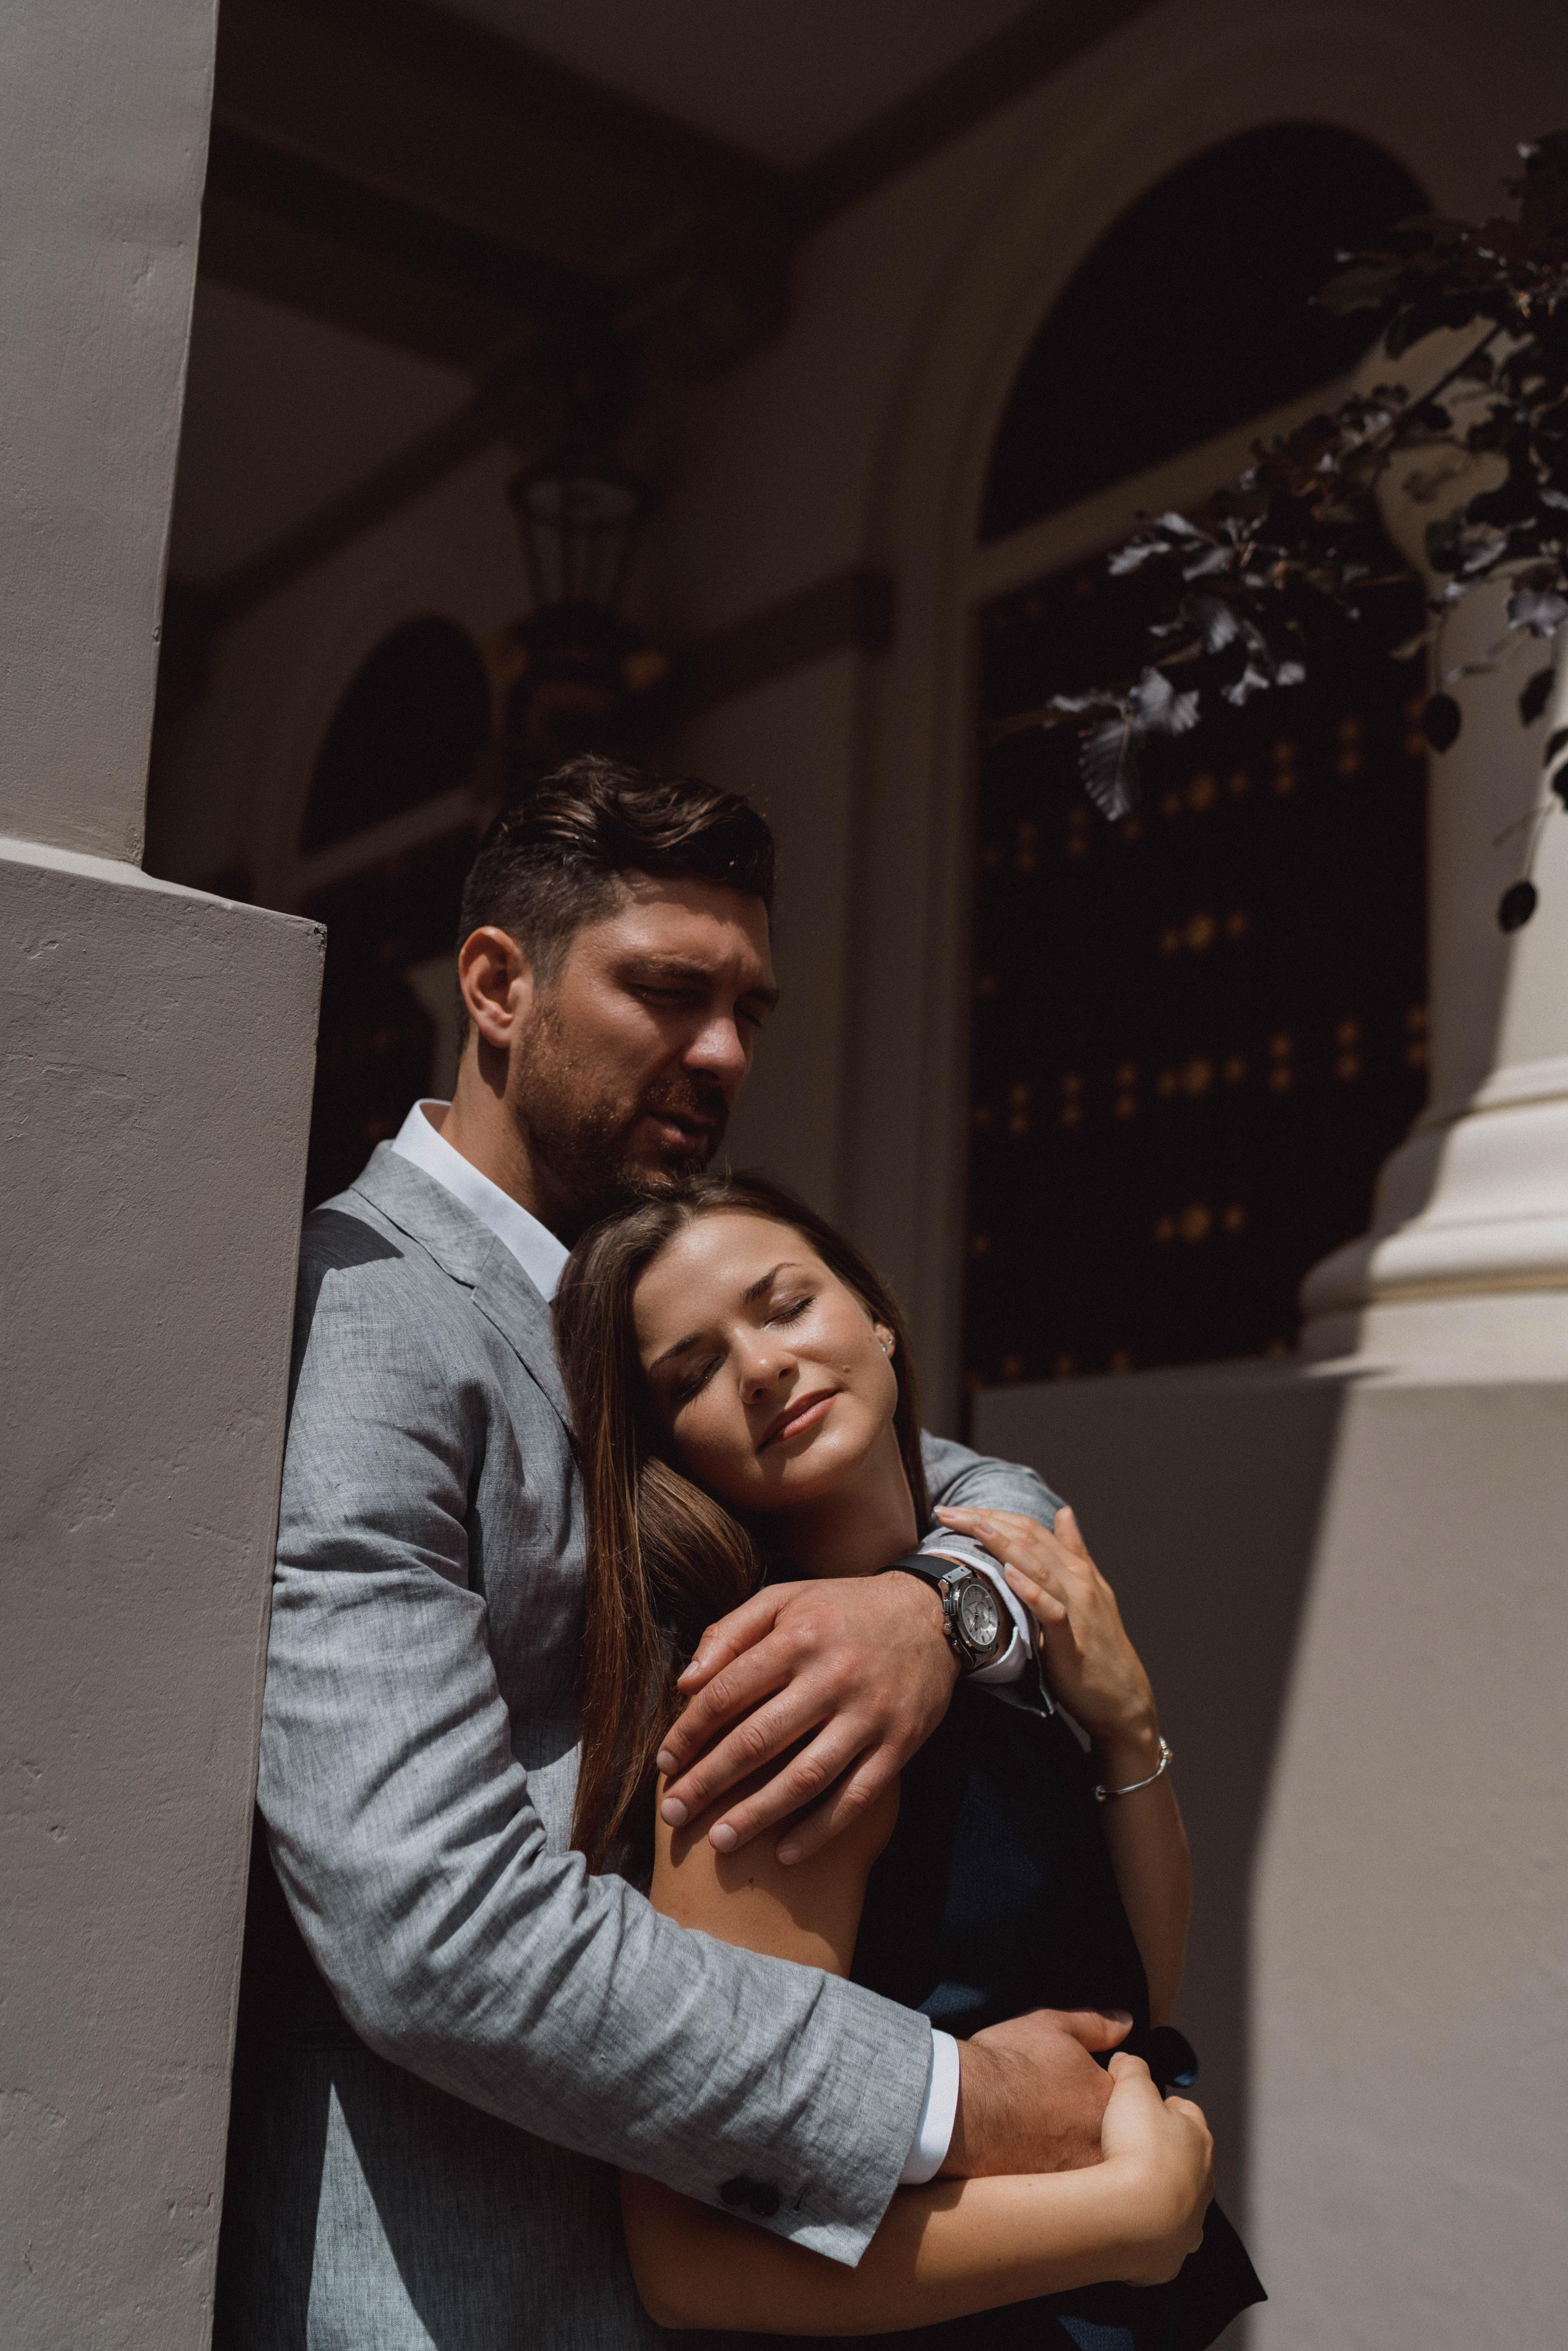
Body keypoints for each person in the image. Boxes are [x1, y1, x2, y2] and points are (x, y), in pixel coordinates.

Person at [216, 758, 1140, 2350]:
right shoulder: (359, 1320)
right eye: (667, 989)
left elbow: (994, 1486)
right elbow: (435, 1930)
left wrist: (932, 1607)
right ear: (497, 981)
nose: (721, 1053)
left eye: (749, 1008)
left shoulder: (656, 1291)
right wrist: (954, 2096)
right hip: (471, 2288)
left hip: (738, 2275)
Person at [552, 1172, 1266, 2344]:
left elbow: (1135, 1994)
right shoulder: (773, 1707)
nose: (765, 1366)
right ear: (672, 1450)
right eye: (692, 1374)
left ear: (876, 1316)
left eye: (784, 1305)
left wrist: (1129, 1726)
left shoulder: (1001, 1596)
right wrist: (1120, 2216)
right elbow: (691, 2259)